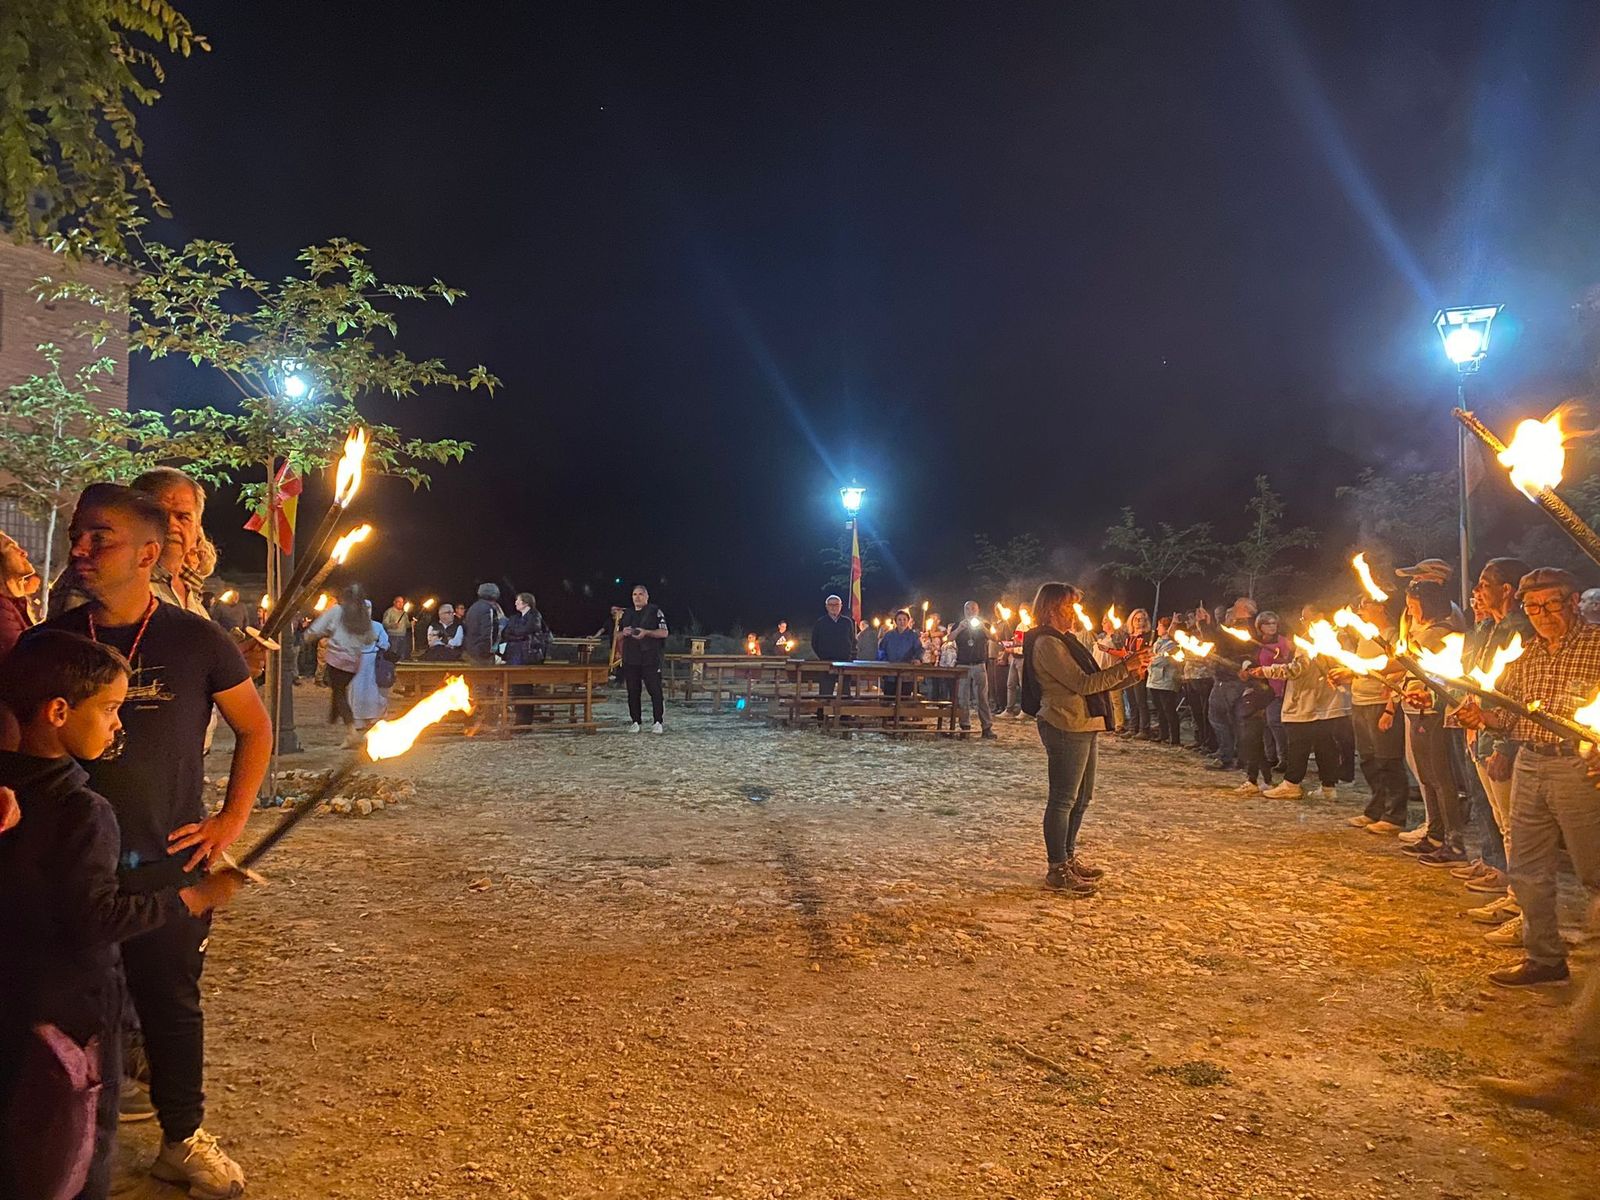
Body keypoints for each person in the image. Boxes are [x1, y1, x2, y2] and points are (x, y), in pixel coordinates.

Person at [35, 484, 271, 1195]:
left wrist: (230, 820)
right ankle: (58, 1147)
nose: (79, 551)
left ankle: (182, 1137)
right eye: (77, 535)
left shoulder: (195, 640)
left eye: (97, 538)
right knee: (63, 1013)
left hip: (164, 860)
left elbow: (254, 728)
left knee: (171, 1006)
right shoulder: (52, 641)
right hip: (63, 869)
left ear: (148, 553)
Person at [0, 632, 247, 1200]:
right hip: (72, 1017)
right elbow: (95, 918)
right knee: (73, 1157)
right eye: (110, 709)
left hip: (16, 1006)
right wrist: (194, 899)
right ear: (59, 712)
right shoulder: (84, 811)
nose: (118, 726)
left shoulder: (7, 792)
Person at [1457, 567, 1600, 992]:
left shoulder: (1597, 645)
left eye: (1551, 604)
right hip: (1530, 764)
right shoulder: (1527, 654)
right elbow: (1507, 714)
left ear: (1573, 602)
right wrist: (1484, 718)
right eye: (1533, 606)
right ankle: (1544, 956)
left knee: (1593, 870)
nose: (1541, 614)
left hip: (1578, 769)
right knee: (1527, 868)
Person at [1023, 581, 1151, 895]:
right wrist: (1126, 666)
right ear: (1053, 608)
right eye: (1069, 605)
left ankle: (1068, 858)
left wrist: (1131, 672)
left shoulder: (1067, 640)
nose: (1075, 611)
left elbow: (1098, 684)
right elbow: (1082, 684)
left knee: (1082, 799)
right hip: (1065, 724)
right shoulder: (1048, 643)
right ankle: (1057, 869)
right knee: (1063, 799)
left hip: (1084, 723)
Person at [1459, 558, 1535, 938]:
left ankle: (1525, 907)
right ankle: (1513, 895)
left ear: (1507, 590)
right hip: (1482, 732)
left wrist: (1502, 744)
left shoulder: (1519, 630)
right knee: (1503, 822)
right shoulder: (1491, 628)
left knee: (1515, 827)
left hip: (1502, 737)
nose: (1478, 591)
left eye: (1485, 584)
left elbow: (1514, 694)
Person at [1395, 579, 1471, 865]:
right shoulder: (1420, 629)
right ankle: (1435, 834)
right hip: (1417, 708)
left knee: (1442, 778)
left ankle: (1455, 842)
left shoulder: (1442, 632)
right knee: (1426, 776)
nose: (1409, 608)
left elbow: (1406, 658)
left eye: (1413, 602)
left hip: (1436, 709)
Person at [1253, 607, 1350, 802]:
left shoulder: (1314, 639)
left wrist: (1267, 671)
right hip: (1327, 702)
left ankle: (1292, 784)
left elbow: (1297, 669)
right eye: (1302, 617)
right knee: (1324, 744)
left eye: (1307, 617)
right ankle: (1328, 787)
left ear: (1321, 616)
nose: (1304, 621)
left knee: (1299, 743)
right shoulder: (1338, 637)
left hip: (1307, 701)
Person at [1343, 594, 1409, 834]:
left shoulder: (1391, 636)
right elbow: (1365, 670)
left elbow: (1399, 669)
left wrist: (1390, 708)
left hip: (1379, 704)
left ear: (1381, 607)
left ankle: (1395, 816)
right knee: (1368, 759)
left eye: (1365, 605)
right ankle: (1376, 810)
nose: (1360, 610)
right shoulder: (1365, 637)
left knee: (1388, 759)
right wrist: (1347, 674)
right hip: (1360, 702)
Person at [310, 584, 389, 743]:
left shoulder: (342, 613)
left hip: (351, 659)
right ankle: (342, 718)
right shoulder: (355, 618)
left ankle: (358, 723)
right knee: (344, 689)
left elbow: (317, 628)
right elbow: (367, 638)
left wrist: (309, 636)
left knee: (345, 690)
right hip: (354, 660)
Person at [1204, 598, 1257, 769]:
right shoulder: (1242, 628)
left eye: (1235, 608)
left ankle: (1229, 757)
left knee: (1219, 717)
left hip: (1230, 680)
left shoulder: (1243, 629)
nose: (1232, 611)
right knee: (1233, 720)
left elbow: (1222, 642)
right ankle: (1239, 758)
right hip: (1227, 678)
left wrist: (1204, 625)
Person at [619, 585, 668, 733]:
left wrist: (646, 632)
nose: (637, 597)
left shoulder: (655, 611)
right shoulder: (627, 614)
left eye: (640, 594)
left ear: (647, 597)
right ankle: (635, 721)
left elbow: (664, 632)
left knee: (655, 690)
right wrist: (624, 632)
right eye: (634, 594)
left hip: (650, 657)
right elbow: (617, 636)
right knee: (633, 691)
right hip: (631, 658)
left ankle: (658, 721)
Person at [949, 602, 996, 738]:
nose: (970, 611)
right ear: (964, 611)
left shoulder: (984, 624)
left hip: (978, 664)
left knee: (982, 697)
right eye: (968, 609)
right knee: (962, 697)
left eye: (973, 609)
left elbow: (995, 638)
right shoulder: (958, 625)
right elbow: (949, 638)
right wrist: (959, 630)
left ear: (978, 610)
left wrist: (983, 628)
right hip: (962, 665)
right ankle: (965, 726)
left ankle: (986, 728)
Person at [1254, 611, 1292, 769]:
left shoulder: (1282, 642)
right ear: (1260, 626)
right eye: (1268, 623)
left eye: (1274, 623)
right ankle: (1270, 756)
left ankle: (1285, 758)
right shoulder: (1257, 643)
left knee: (1275, 722)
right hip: (1262, 687)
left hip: (1278, 688)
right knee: (1264, 724)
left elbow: (1289, 664)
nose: (1271, 627)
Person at [0, 530, 41, 662]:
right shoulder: (2, 608)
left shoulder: (17, 602)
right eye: (12, 548)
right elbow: (22, 659)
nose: (23, 552)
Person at [811, 595, 857, 705]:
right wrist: (823, 655)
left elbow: (852, 640)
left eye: (836, 605)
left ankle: (844, 717)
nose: (834, 607)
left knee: (845, 691)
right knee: (825, 692)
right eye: (831, 605)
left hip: (845, 662)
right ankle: (822, 717)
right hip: (827, 662)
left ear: (841, 606)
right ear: (826, 607)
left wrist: (850, 655)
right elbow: (814, 642)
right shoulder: (820, 623)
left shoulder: (847, 622)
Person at [1147, 617, 1183, 746]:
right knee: (1160, 710)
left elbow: (1162, 660)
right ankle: (1164, 734)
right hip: (1154, 680)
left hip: (1167, 681)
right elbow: (1150, 656)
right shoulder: (1157, 642)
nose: (1157, 628)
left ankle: (1175, 738)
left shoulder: (1173, 645)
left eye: (1160, 626)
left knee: (1169, 710)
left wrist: (1151, 659)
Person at [1121, 610, 1155, 737]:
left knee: (1140, 700)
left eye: (1141, 619)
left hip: (1140, 671)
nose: (1138, 621)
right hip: (1128, 670)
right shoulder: (1129, 636)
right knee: (1131, 700)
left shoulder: (1147, 636)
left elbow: (1147, 653)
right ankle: (1132, 727)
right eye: (1136, 619)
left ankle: (1144, 729)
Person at [876, 609, 923, 697]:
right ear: (895, 621)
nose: (902, 622)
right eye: (899, 619)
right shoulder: (888, 635)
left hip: (906, 673)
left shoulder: (913, 636)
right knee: (889, 698)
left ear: (908, 621)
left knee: (904, 699)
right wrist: (883, 662)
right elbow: (881, 650)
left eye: (904, 619)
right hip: (890, 672)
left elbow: (919, 649)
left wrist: (917, 659)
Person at [502, 593, 550, 665]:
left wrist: (514, 634)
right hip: (513, 653)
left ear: (526, 603)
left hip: (527, 654)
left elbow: (525, 630)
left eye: (518, 600)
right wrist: (519, 636)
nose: (515, 603)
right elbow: (505, 633)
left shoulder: (535, 617)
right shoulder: (514, 617)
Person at [464, 583, 505, 665]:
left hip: (471, 650)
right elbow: (488, 632)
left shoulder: (472, 608)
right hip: (482, 653)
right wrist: (488, 652)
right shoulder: (488, 609)